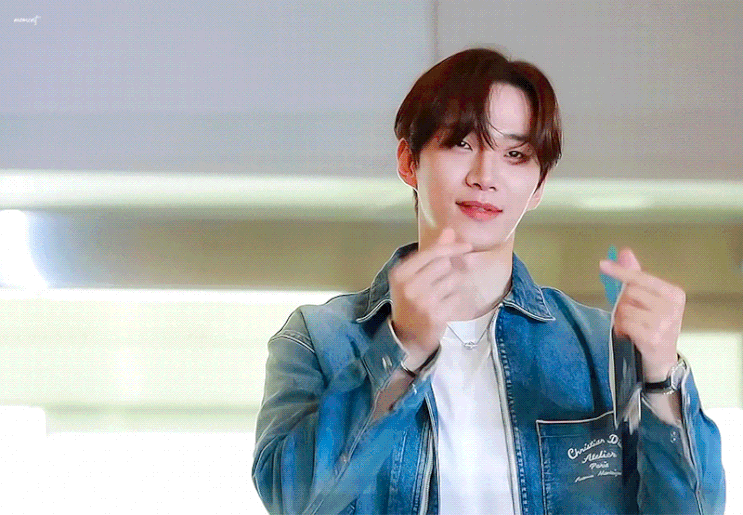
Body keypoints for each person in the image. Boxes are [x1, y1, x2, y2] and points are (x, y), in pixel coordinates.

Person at [252, 47, 725, 515]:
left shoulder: (602, 347)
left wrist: (662, 379)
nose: (485, 176)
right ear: (409, 161)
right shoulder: (320, 338)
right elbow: (294, 503)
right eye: (462, 144)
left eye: (515, 154)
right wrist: (403, 350)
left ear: (539, 186)